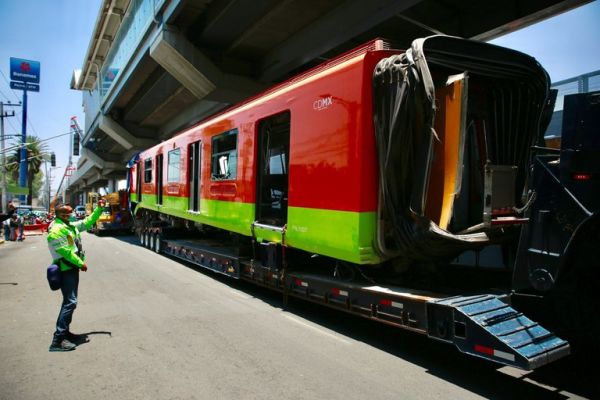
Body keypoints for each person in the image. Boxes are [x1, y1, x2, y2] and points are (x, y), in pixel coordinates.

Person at [46, 199, 105, 352]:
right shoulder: (57, 230)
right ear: (63, 215)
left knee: (69, 301)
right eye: (70, 213)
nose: (73, 215)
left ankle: (65, 333)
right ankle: (58, 340)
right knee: (70, 302)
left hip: (71, 269)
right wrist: (80, 263)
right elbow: (65, 252)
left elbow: (87, 222)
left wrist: (99, 209)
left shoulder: (68, 226)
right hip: (66, 269)